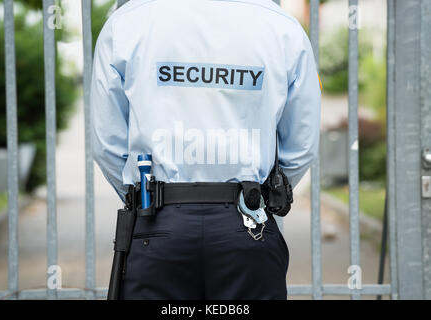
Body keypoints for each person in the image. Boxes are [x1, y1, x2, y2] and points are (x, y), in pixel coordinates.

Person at [92, 0, 321, 300]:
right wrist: (263, 197)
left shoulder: (126, 23)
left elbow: (107, 144)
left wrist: (145, 197)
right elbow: (301, 145)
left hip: (156, 223)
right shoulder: (282, 28)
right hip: (248, 223)